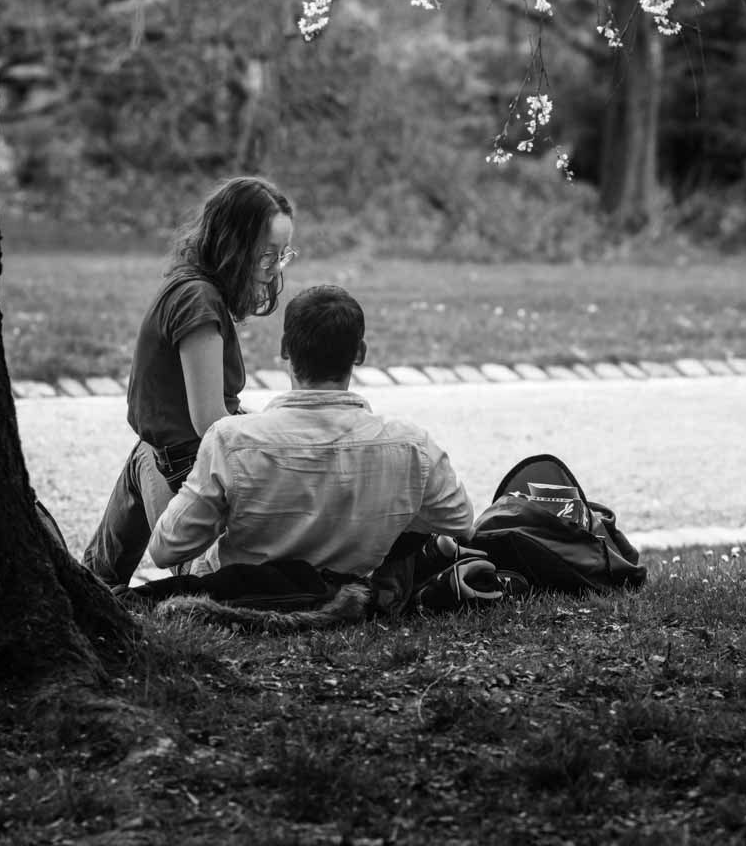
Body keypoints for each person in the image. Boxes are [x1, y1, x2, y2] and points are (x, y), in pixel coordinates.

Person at [146, 284, 474, 578]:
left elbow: (164, 550)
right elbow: (460, 521)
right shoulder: (411, 445)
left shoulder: (230, 441)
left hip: (242, 593)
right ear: (360, 353)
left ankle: (114, 582)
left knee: (147, 453)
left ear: (285, 348)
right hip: (348, 596)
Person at [81, 176, 296, 587]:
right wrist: (272, 436)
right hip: (185, 466)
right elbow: (210, 421)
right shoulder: (198, 301)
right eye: (267, 255)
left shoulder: (196, 292)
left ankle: (95, 580)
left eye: (282, 255)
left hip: (176, 453)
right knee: (207, 580)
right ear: (234, 245)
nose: (273, 269)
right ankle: (103, 579)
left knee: (145, 452)